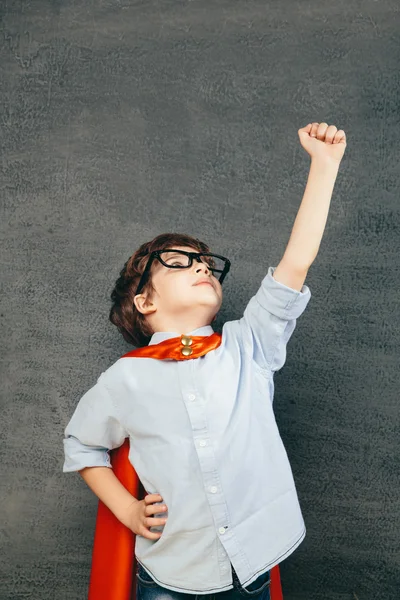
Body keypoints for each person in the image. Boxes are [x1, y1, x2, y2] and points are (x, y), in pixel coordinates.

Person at [63, 122, 347, 600]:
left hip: (254, 570)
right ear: (144, 302)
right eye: (178, 261)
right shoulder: (124, 379)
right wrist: (128, 512)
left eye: (205, 262)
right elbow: (82, 445)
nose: (200, 265)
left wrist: (324, 166)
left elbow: (295, 265)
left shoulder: (248, 345)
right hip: (170, 578)